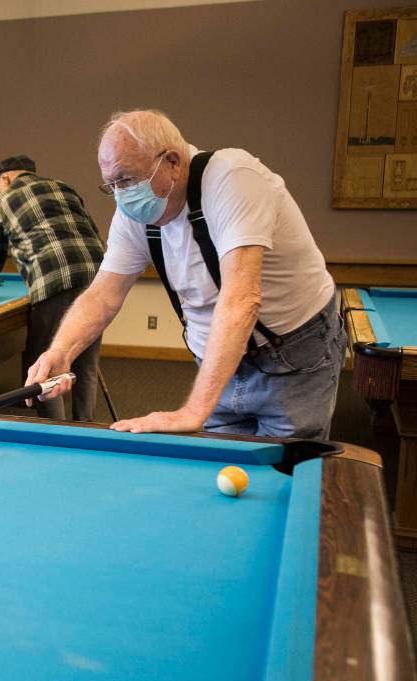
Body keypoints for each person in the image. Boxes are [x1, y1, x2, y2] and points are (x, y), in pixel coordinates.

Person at [26, 110, 345, 440]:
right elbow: (103, 295)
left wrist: (193, 412)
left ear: (173, 162)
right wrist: (61, 352)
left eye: (128, 180)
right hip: (216, 361)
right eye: (112, 185)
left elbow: (241, 300)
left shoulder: (233, 178)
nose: (121, 195)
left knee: (287, 469)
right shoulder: (134, 216)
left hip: (293, 350)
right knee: (223, 469)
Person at [0, 155, 104, 421]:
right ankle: (86, 427)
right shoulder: (64, 187)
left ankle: (57, 432)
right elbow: (93, 231)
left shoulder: (3, 200)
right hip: (98, 276)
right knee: (85, 362)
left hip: (53, 279)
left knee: (44, 365)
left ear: (6, 178)